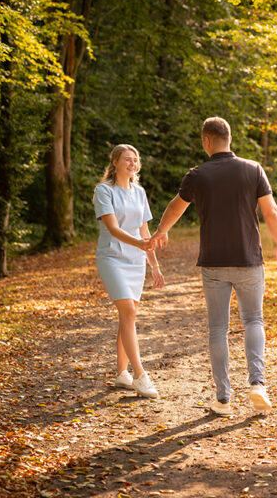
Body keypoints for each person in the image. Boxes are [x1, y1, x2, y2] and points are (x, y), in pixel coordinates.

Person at [149, 117, 277, 416]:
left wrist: (160, 231)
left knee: (217, 329)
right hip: (249, 259)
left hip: (213, 263)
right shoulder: (253, 169)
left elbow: (176, 206)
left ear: (206, 141)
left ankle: (223, 399)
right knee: (253, 321)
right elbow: (271, 211)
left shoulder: (198, 174)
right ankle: (258, 384)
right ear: (230, 138)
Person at [93, 144, 164, 399]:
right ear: (115, 162)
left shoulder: (140, 192)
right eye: (127, 160)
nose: (132, 164)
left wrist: (153, 264)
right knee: (130, 311)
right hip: (112, 258)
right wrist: (140, 243)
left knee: (128, 316)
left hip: (136, 261)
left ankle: (121, 373)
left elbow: (144, 230)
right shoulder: (104, 191)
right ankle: (140, 375)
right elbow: (113, 228)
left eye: (135, 160)